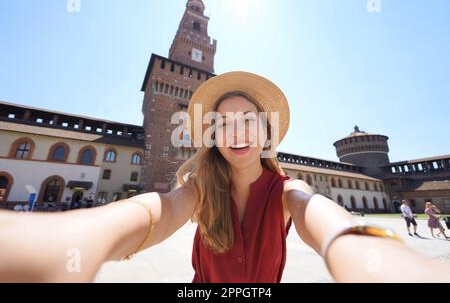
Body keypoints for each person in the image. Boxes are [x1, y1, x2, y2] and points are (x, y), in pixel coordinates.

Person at [0, 71, 450, 283]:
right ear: (213, 136)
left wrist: (366, 256)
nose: (237, 132)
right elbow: (159, 212)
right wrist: (76, 239)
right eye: (224, 123)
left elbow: (320, 215)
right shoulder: (198, 190)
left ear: (266, 132)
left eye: (249, 121)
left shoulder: (285, 189)